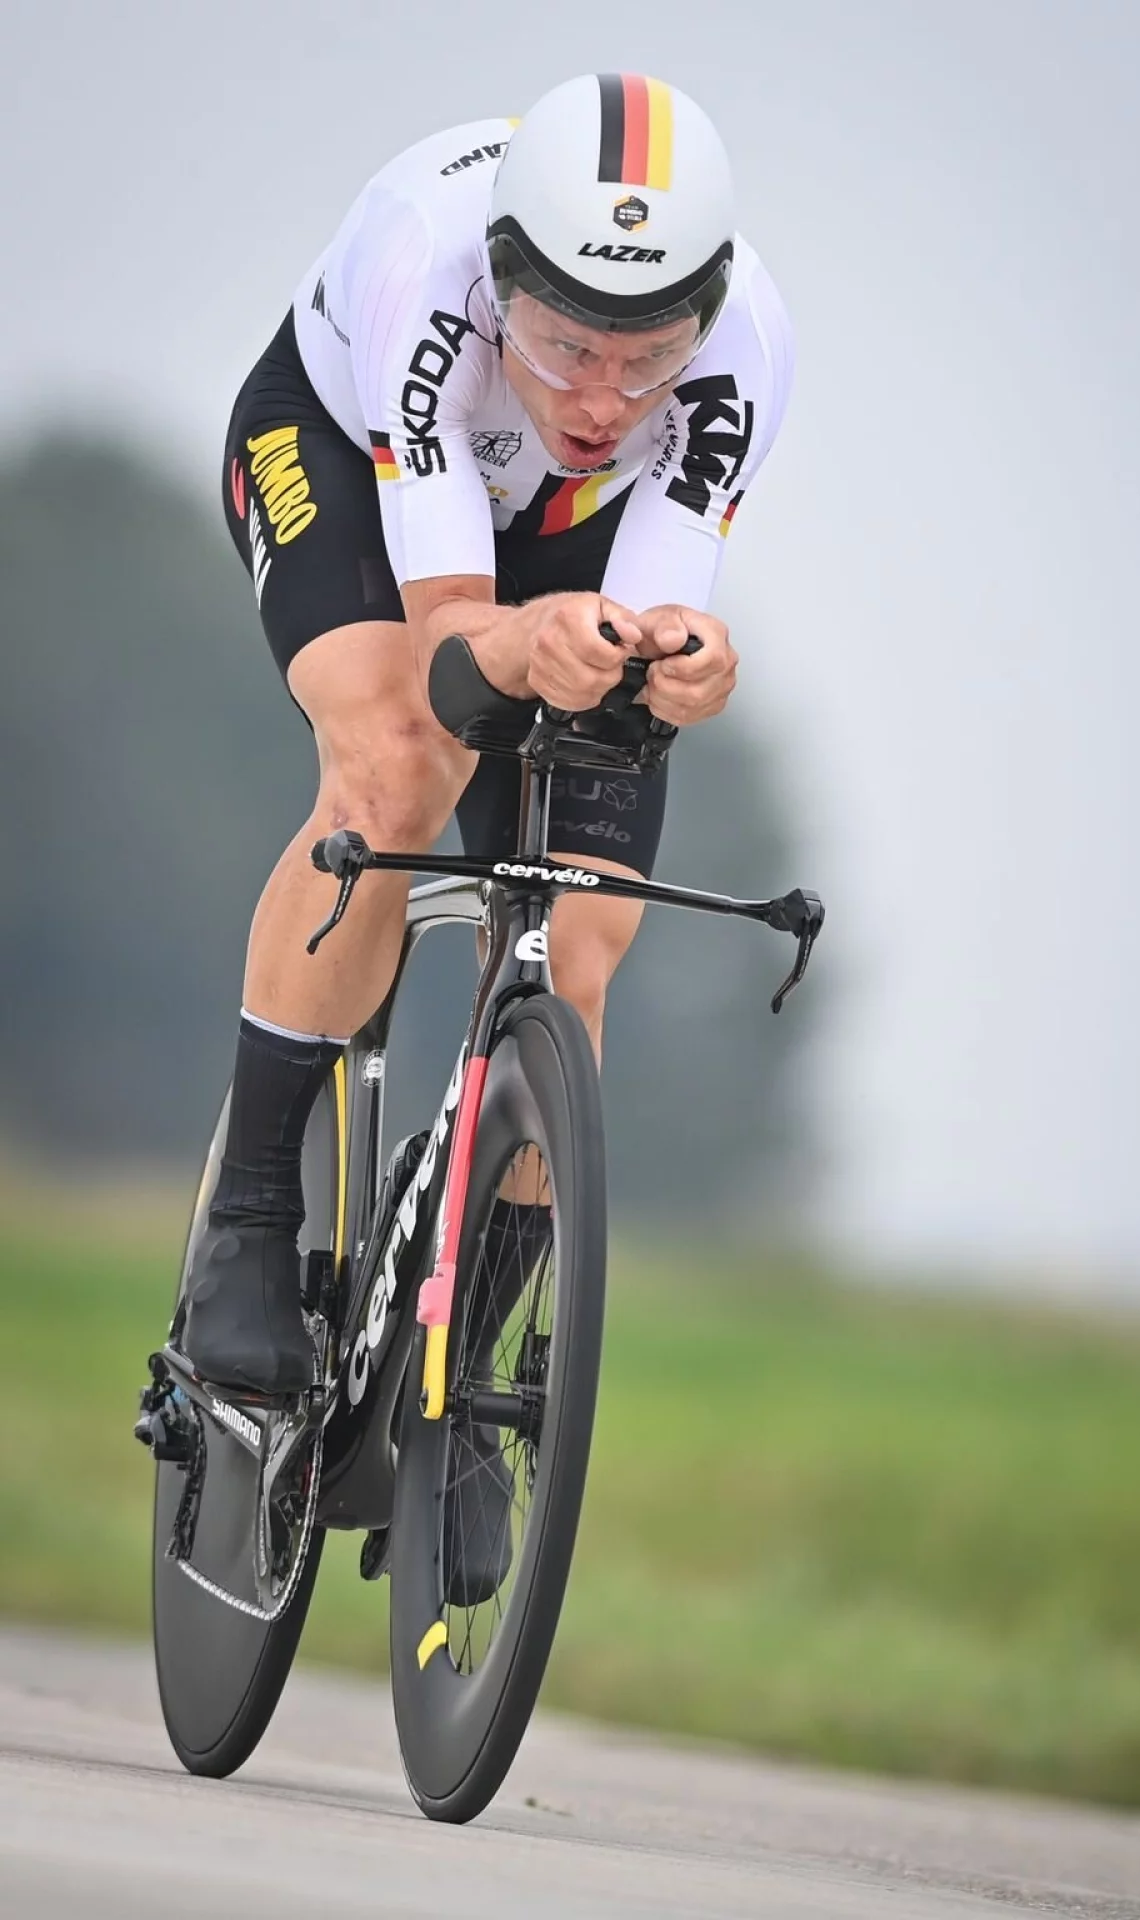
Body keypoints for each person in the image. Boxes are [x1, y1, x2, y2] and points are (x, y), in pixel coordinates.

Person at [183, 72, 794, 1408]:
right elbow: (453, 643)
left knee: (583, 934)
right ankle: (249, 1218)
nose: (604, 397)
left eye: (649, 359)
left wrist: (684, 667)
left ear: (703, 314)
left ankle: (462, 1393)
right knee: (401, 760)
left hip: (563, 523)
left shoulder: (748, 341)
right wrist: (527, 641)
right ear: (505, 284)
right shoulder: (429, 270)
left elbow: (651, 621)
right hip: (344, 456)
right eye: (567, 344)